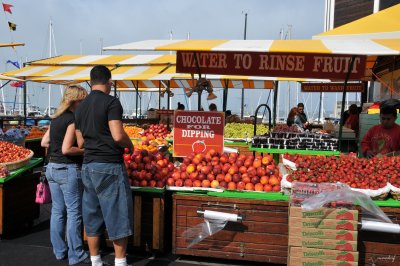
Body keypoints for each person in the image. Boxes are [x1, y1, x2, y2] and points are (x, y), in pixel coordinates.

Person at [75, 65, 134, 266]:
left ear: (91, 82)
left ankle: (95, 260)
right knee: (117, 213)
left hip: (88, 166)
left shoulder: (80, 107)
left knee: (92, 214)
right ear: (109, 81)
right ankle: (120, 262)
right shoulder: (112, 102)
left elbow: (80, 143)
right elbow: (118, 135)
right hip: (109, 164)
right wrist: (131, 145)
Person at [41, 85, 90, 265]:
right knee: (74, 213)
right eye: (83, 100)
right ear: (76, 101)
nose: (84, 103)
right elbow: (67, 149)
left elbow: (44, 141)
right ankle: (76, 254)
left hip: (52, 168)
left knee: (57, 211)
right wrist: (85, 150)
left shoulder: (56, 118)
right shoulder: (72, 119)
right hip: (67, 169)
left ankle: (60, 251)